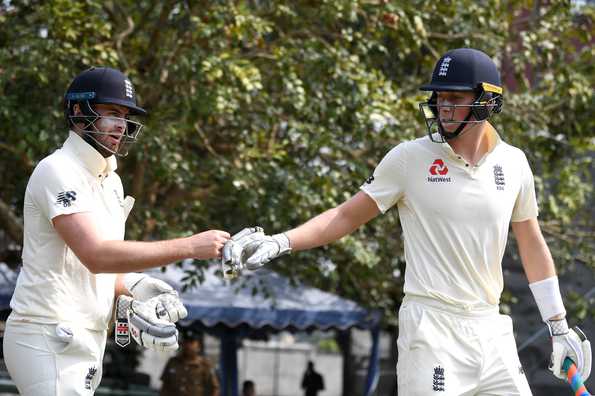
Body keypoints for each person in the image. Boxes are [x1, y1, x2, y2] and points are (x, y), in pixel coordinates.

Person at [222, 48, 592, 395]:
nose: (443, 107)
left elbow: (531, 243)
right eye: (439, 98)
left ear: (487, 102)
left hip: (491, 327)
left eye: (455, 98)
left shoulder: (514, 164)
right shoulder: (409, 158)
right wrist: (280, 241)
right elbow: (345, 216)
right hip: (432, 328)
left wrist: (557, 327)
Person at [2, 66, 230, 395]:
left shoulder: (112, 179)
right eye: (111, 113)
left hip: (88, 338)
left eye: (125, 116)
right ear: (79, 111)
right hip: (46, 334)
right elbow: (96, 254)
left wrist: (136, 286)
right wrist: (191, 246)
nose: (121, 125)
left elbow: (99, 270)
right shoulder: (57, 169)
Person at [160, 329, 220, 396]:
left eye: (191, 342)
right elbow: (165, 387)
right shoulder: (173, 362)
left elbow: (214, 389)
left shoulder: (205, 365)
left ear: (199, 346)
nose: (188, 345)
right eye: (185, 342)